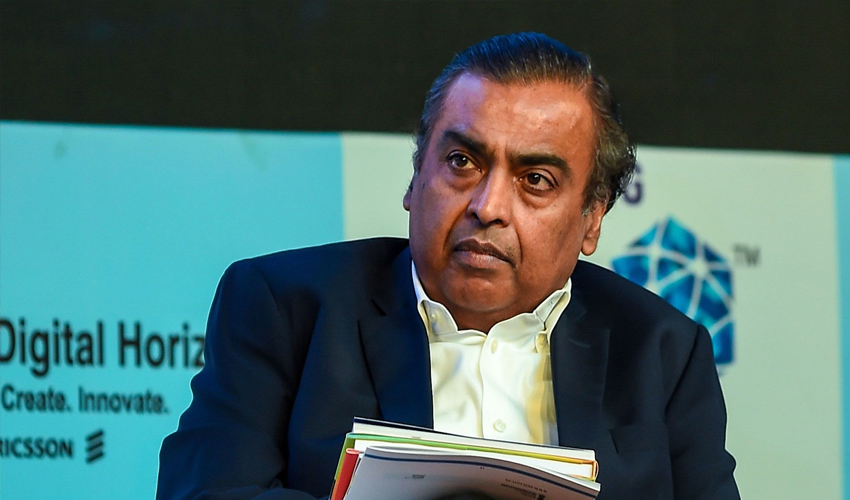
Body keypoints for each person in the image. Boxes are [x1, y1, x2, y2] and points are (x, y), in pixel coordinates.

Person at [157, 32, 740, 500]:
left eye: (536, 180)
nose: (488, 206)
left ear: (592, 219)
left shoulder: (662, 351)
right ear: (415, 179)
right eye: (462, 161)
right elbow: (207, 491)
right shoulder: (285, 310)